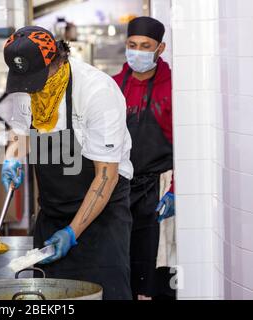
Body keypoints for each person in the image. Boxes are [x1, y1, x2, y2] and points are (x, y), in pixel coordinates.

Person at [1, 26, 134, 300]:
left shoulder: (98, 91)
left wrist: (73, 232)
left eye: (37, 78)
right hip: (52, 213)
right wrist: (11, 158)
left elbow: (106, 177)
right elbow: (20, 132)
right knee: (49, 301)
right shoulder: (25, 82)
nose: (31, 87)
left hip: (102, 220)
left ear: (58, 59)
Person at [113, 16, 175, 300]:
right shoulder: (113, 85)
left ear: (159, 49)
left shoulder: (173, 87)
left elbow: (186, 148)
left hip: (157, 190)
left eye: (145, 46)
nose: (137, 51)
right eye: (132, 45)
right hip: (120, 187)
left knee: (154, 269)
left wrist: (175, 190)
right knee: (121, 263)